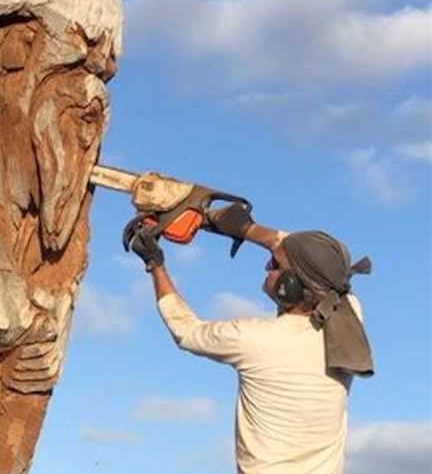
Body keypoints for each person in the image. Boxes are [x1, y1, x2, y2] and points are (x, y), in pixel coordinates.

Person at [122, 203, 374, 474]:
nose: (267, 264)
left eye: (275, 264)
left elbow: (186, 330)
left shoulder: (254, 339)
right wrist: (222, 224)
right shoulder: (348, 318)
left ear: (289, 286)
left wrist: (154, 262)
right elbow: (323, 262)